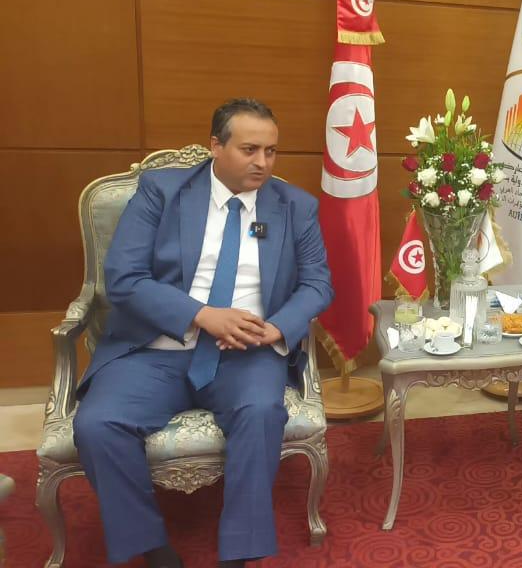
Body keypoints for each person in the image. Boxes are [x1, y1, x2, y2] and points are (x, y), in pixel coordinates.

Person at [72, 98, 333, 568]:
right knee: (97, 424)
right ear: (216, 145)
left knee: (261, 412)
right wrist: (201, 315)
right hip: (156, 347)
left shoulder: (295, 206)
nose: (262, 162)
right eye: (250, 149)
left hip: (247, 352)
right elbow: (124, 278)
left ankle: (239, 554)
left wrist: (274, 328)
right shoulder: (161, 192)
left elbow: (317, 284)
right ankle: (154, 550)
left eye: (271, 151)